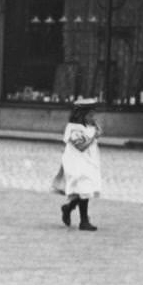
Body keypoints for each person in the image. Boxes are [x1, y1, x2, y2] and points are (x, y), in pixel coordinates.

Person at [57, 97, 102, 232]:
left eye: (93, 115)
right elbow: (81, 146)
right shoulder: (74, 128)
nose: (92, 117)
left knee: (84, 190)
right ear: (81, 115)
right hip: (76, 161)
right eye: (90, 115)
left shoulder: (89, 126)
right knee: (84, 188)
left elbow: (95, 134)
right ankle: (84, 221)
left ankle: (68, 208)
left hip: (88, 161)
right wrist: (94, 136)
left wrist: (96, 130)